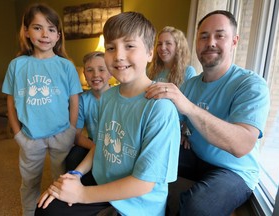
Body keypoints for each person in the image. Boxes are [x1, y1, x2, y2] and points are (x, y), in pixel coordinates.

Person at [35, 11, 180, 216]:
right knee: (45, 209)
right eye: (111, 48)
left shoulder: (160, 108)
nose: (119, 55)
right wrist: (76, 174)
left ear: (149, 52)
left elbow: (144, 184)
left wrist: (82, 194)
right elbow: (101, 145)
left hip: (137, 205)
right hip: (104, 185)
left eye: (129, 46)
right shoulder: (109, 97)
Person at [145, 10, 270, 216]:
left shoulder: (251, 84)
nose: (210, 42)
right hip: (196, 156)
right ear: (196, 43)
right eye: (204, 36)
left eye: (219, 35)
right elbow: (167, 124)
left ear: (234, 41)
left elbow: (242, 145)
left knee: (198, 207)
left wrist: (189, 108)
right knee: (148, 159)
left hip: (234, 171)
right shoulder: (191, 85)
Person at [2, 3, 82, 216]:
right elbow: (10, 102)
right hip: (30, 137)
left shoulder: (66, 66)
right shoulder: (17, 65)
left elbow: (75, 101)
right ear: (27, 32)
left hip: (61, 134)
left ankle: (60, 212)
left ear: (58, 35)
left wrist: (71, 131)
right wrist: (18, 134)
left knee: (61, 181)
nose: (45, 34)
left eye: (51, 29)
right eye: (37, 28)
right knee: (29, 182)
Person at [65, 51, 112, 186]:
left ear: (110, 73)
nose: (96, 75)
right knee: (73, 157)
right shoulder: (81, 100)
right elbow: (75, 135)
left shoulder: (119, 96)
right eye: (90, 70)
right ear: (84, 75)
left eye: (101, 69)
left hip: (115, 145)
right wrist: (95, 147)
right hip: (95, 143)